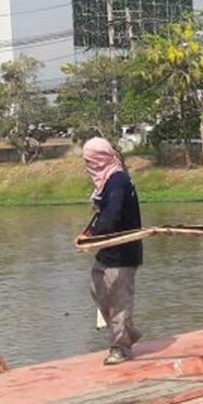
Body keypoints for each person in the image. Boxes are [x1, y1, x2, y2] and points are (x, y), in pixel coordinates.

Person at [79, 137, 143, 365]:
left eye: (90, 160)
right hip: (107, 250)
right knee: (97, 291)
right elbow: (102, 215)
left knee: (119, 301)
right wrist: (88, 234)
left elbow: (112, 214)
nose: (88, 165)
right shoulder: (106, 182)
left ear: (100, 159)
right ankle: (128, 333)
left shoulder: (118, 180)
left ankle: (121, 348)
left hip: (124, 251)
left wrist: (94, 237)